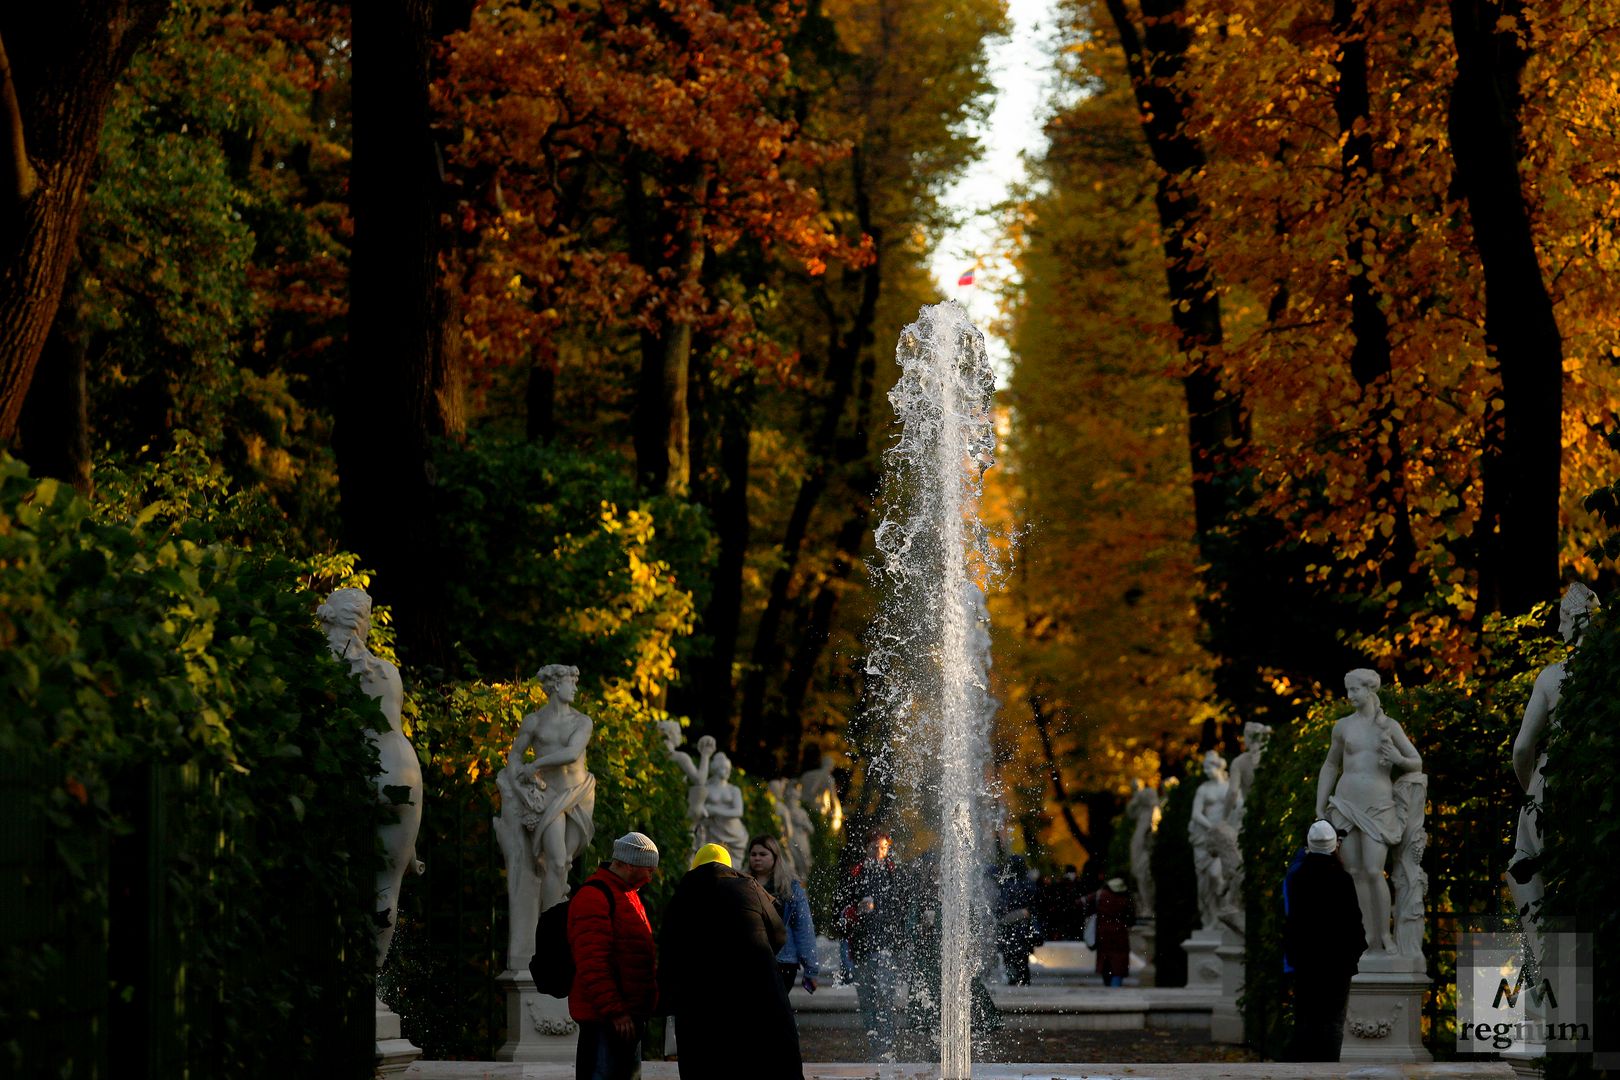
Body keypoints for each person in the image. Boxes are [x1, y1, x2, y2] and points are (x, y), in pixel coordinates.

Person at [660, 844, 803, 1079]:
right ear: (728, 865)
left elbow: (669, 948)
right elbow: (779, 934)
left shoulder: (683, 894)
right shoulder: (748, 886)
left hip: (700, 993)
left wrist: (667, 999)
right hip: (755, 985)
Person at [1315, 668, 1422, 953]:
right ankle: (1365, 937)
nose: (1349, 695)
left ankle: (1385, 935)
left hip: (1377, 804)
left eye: (1354, 690)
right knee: (1354, 872)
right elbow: (1330, 765)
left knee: (1375, 870)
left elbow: (1416, 762)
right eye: (1348, 690)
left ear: (1369, 690)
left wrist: (1398, 758)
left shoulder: (1388, 726)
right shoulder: (1342, 727)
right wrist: (1319, 803)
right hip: (1346, 804)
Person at [568, 832, 660, 1080]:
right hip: (606, 1021)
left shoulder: (627, 894)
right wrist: (614, 1011)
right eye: (649, 870)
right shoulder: (595, 896)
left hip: (626, 1018)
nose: (651, 877)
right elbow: (593, 962)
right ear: (629, 864)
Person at [1283, 820, 1367, 1062]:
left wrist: (1294, 955)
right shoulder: (1342, 879)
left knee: (1306, 1021)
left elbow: (1292, 922)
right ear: (1334, 847)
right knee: (1332, 1024)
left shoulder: (1297, 878)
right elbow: (1354, 923)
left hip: (1306, 962)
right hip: (1337, 965)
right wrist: (1353, 954)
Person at [839, 830, 904, 1059]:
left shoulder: (894, 873)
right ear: (866, 848)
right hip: (862, 948)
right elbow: (841, 909)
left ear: (888, 849)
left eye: (883, 848)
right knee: (867, 999)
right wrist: (856, 911)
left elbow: (901, 909)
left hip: (887, 946)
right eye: (874, 847)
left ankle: (886, 1047)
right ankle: (876, 1047)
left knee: (886, 997)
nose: (879, 852)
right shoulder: (855, 873)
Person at [746, 834, 820, 993]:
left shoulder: (790, 888)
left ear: (774, 856)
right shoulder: (743, 885)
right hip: (751, 959)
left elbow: (803, 927)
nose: (757, 858)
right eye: (753, 854)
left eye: (763, 854)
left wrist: (811, 968)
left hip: (783, 961)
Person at [993, 854, 1040, 986]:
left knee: (1010, 953)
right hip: (1023, 924)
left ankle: (1014, 977)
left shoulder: (1007, 884)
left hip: (1010, 924)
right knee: (1021, 954)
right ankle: (1022, 977)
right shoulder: (1028, 884)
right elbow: (1034, 904)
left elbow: (1000, 906)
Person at [1084, 877, 1135, 987]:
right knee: (1119, 965)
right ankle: (1115, 987)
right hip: (1120, 936)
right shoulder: (1125, 899)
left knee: (1105, 962)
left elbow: (1081, 903)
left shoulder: (1099, 895)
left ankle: (1108, 986)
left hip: (1103, 935)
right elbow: (1131, 919)